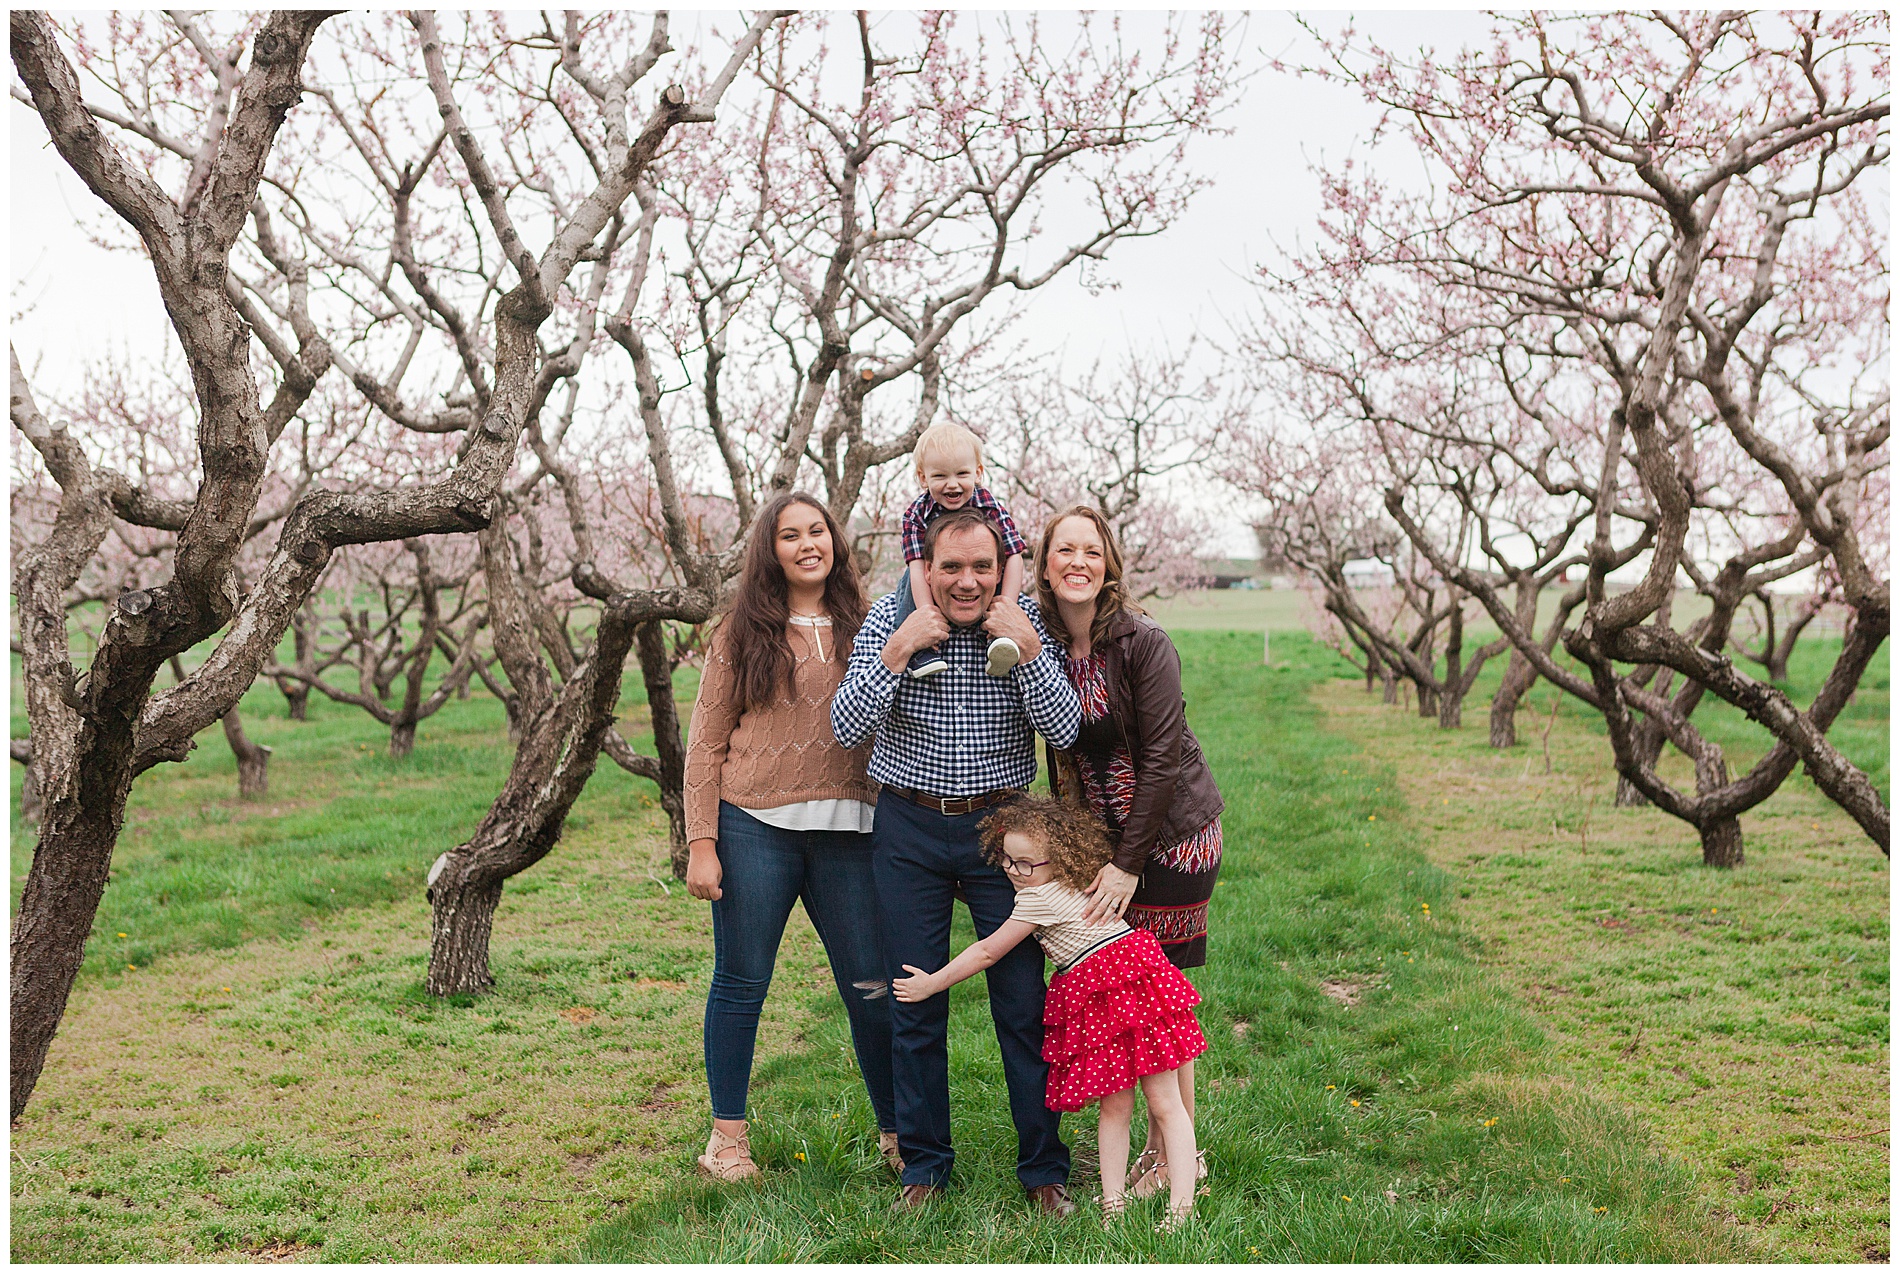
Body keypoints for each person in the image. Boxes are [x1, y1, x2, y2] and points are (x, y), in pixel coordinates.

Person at [831, 508, 1083, 1216]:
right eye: (951, 567)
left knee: (1022, 1006)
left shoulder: (1025, 621)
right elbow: (845, 725)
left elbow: (1065, 729)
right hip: (909, 827)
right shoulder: (893, 617)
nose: (966, 582)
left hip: (1005, 837)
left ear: (1001, 565)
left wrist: (1029, 652)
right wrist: (896, 652)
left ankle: (1043, 1171)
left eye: (981, 566)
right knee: (916, 997)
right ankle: (925, 1166)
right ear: (926, 566)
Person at [682, 492, 897, 1182]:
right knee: (742, 982)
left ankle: (898, 1135)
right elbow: (705, 744)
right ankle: (727, 1139)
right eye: (790, 535)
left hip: (852, 835)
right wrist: (703, 842)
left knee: (872, 988)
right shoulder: (740, 633)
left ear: (835, 541)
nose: (808, 543)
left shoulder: (870, 624)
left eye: (818, 531)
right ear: (769, 552)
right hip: (755, 827)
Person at [892, 796, 1206, 1232]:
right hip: (1131, 980)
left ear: (1057, 861)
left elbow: (986, 951)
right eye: (1006, 860)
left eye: (1025, 864)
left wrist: (932, 983)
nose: (1012, 872)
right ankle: (1115, 1207)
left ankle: (1178, 1211)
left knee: (1156, 1102)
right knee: (1123, 1105)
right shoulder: (1078, 880)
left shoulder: (1036, 900)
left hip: (1117, 987)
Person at [1034, 504, 1225, 1200]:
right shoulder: (1050, 647)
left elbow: (1165, 759)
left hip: (1171, 839)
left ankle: (1178, 1157)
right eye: (1065, 552)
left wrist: (1125, 864)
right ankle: (1159, 1151)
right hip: (1111, 845)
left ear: (1107, 562)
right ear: (1047, 565)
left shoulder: (1144, 642)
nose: (1078, 562)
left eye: (1091, 551)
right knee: (1138, 998)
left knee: (1161, 1001)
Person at [893, 421, 1030, 680]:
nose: (952, 485)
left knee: (986, 576)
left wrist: (1008, 606)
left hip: (986, 581)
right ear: (923, 478)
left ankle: (999, 642)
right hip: (928, 580)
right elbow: (917, 565)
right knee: (907, 587)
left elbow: (1013, 554)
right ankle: (922, 652)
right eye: (940, 476)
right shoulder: (916, 515)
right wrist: (926, 617)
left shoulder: (989, 505)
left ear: (978, 473)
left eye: (961, 474)